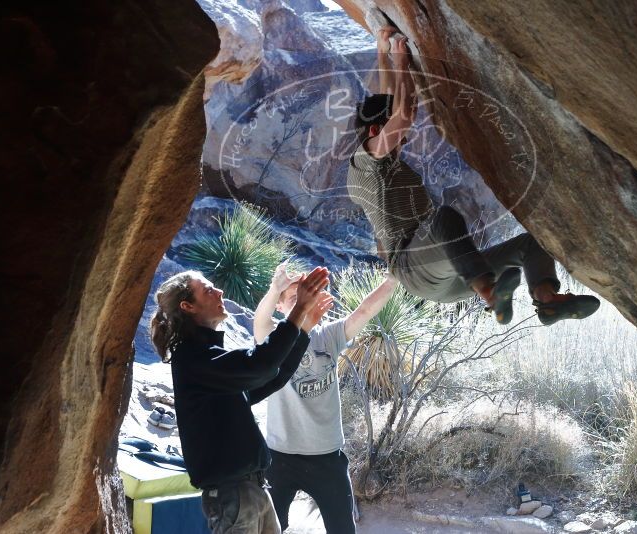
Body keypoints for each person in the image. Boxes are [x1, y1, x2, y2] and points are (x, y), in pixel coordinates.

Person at [347, 27, 600, 326]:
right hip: (415, 267)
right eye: (396, 137)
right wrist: (401, 58)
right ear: (376, 133)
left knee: (531, 245)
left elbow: (388, 103)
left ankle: (546, 299)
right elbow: (402, 114)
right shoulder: (365, 159)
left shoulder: (379, 159)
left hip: (449, 274)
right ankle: (490, 294)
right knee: (442, 220)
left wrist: (382, 51)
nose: (403, 141)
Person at [150, 267, 333, 534]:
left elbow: (272, 377)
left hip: (252, 491)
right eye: (208, 289)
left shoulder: (208, 358)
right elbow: (260, 364)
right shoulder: (192, 358)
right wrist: (296, 313)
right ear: (188, 306)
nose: (219, 291)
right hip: (232, 497)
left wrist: (303, 328)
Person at [252, 262, 398, 533]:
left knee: (342, 528)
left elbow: (364, 311)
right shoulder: (273, 338)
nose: (301, 304)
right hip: (279, 456)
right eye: (293, 299)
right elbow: (259, 320)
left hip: (326, 457)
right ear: (281, 308)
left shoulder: (329, 336)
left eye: (306, 297)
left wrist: (393, 279)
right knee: (267, 529)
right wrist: (275, 289)